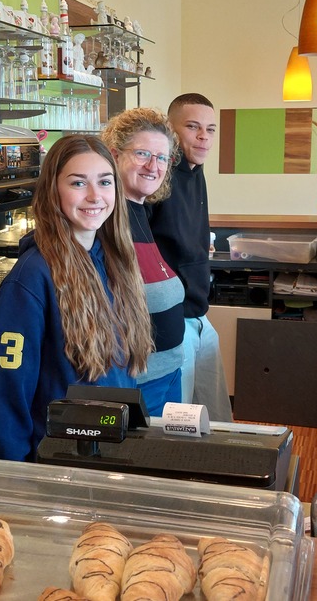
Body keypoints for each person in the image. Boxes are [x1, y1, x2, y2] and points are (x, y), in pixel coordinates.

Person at [0, 135, 154, 461]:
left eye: (104, 182)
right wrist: (18, 474)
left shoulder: (113, 260)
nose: (94, 196)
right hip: (54, 461)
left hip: (103, 452)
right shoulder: (31, 278)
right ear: (52, 191)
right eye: (77, 183)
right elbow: (2, 393)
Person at [147, 93, 232, 422]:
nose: (204, 137)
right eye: (193, 127)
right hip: (171, 318)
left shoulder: (196, 172)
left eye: (211, 129)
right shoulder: (159, 175)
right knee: (178, 421)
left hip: (198, 313)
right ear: (170, 129)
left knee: (216, 417)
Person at [102, 108, 186, 416]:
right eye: (142, 154)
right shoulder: (106, 220)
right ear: (114, 155)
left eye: (162, 157)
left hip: (167, 373)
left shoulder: (138, 212)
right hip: (136, 384)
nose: (154, 166)